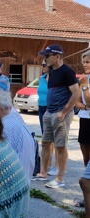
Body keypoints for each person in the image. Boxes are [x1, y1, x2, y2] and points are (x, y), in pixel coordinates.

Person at [34, 44, 80, 189]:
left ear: (57, 56)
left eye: (47, 56)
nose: (45, 59)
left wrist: (63, 112)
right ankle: (43, 173)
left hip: (61, 114)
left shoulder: (67, 72)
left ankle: (60, 178)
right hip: (49, 112)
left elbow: (76, 93)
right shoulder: (52, 72)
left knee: (60, 145)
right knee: (46, 142)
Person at [37, 60, 58, 176]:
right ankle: (47, 163)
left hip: (52, 108)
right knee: (46, 136)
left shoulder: (56, 78)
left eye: (44, 65)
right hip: (41, 107)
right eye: (41, 65)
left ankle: (56, 165)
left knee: (55, 137)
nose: (42, 67)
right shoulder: (41, 78)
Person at [76, 51, 90, 209]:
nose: (85, 65)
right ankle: (87, 197)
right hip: (84, 120)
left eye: (88, 62)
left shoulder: (84, 80)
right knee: (86, 161)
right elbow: (78, 103)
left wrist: (85, 84)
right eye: (84, 62)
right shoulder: (83, 80)